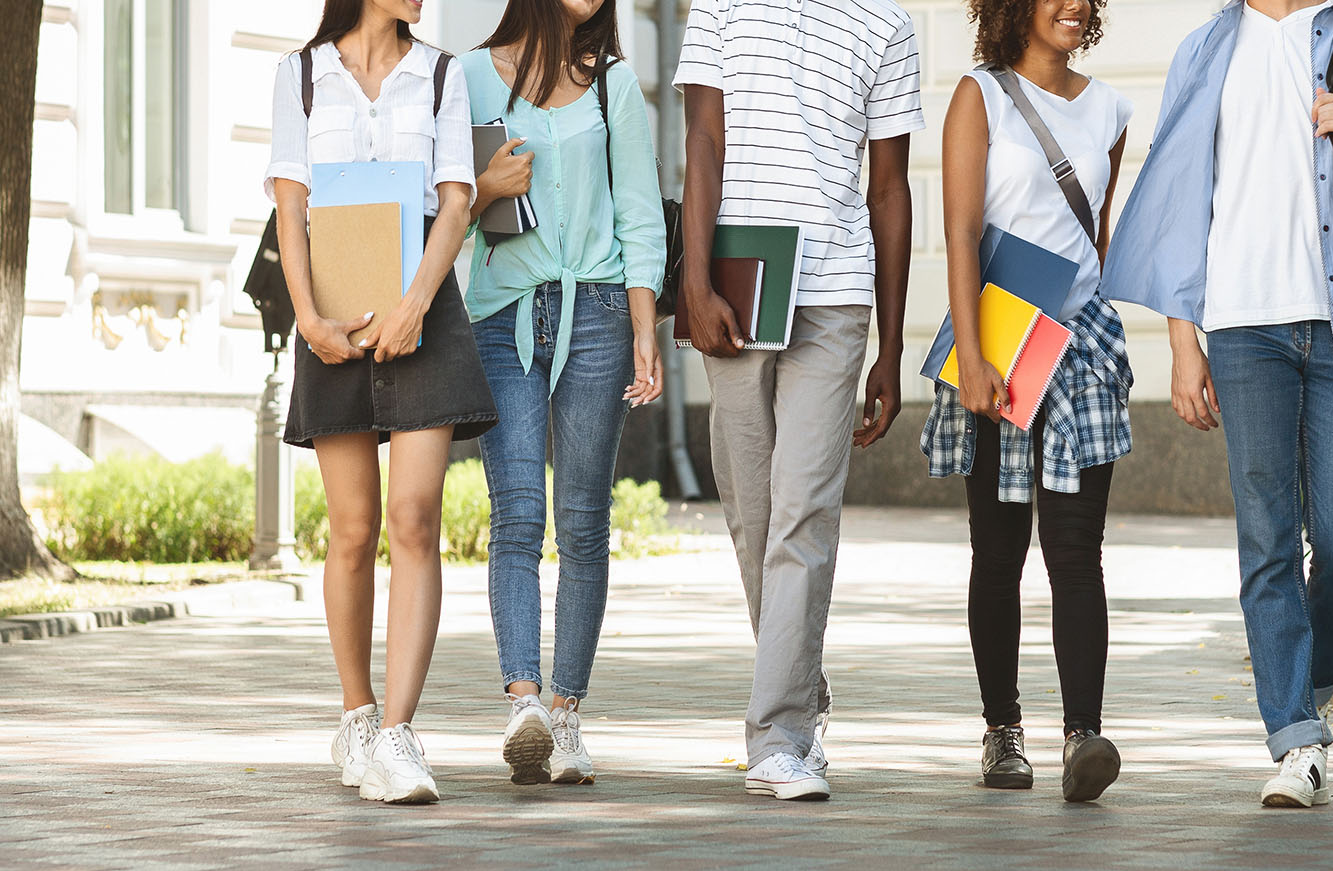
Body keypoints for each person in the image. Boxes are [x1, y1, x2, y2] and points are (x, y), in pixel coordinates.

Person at [1101, 0, 1333, 807]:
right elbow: (1178, 206)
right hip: (1239, 329)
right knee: (1266, 540)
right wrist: (1182, 343)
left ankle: (1305, 688)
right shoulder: (1205, 48)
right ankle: (1295, 737)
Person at [674, 0, 923, 801]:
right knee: (754, 513)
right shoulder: (719, 5)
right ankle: (800, 691)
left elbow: (889, 188)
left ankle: (778, 736)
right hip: (739, 283)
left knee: (803, 510)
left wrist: (891, 343)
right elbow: (703, 139)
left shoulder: (887, 21)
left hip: (836, 294)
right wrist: (694, 276)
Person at [265, 0, 496, 804]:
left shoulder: (440, 75)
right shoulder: (299, 76)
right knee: (355, 529)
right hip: (330, 316)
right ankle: (357, 715)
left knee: (415, 518)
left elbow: (458, 202)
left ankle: (399, 735)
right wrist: (308, 319)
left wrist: (414, 305)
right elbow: (291, 210)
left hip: (423, 313)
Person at [922, 0, 1135, 803]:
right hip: (1001, 341)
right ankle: (1002, 731)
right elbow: (963, 229)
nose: (1074, 4)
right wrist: (971, 354)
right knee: (999, 548)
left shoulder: (1112, 107)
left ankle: (1085, 734)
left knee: (1077, 549)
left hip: (1078, 344)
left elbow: (1098, 233)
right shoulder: (979, 94)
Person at [461, 0, 666, 787]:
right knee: (515, 511)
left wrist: (646, 329)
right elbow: (448, 206)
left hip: (602, 311)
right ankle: (524, 706)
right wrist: (485, 188)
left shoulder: (615, 86)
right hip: (500, 309)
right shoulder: (472, 77)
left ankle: (569, 716)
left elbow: (640, 215)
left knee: (583, 521)